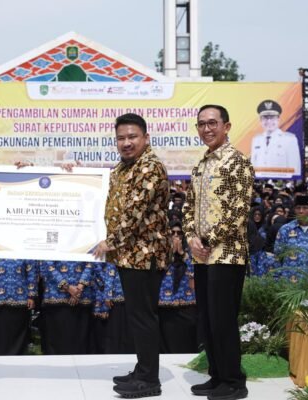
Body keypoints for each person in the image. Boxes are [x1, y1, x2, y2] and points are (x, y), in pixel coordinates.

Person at [93, 113, 170, 399]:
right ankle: (142, 369)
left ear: (146, 138)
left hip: (145, 256)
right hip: (130, 256)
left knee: (143, 317)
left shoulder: (149, 167)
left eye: (132, 137)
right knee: (137, 316)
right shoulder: (123, 168)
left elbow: (134, 213)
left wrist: (109, 242)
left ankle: (149, 379)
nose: (126, 143)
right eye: (121, 138)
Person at [183, 104, 253, 400]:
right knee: (208, 318)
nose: (207, 129)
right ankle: (216, 376)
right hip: (202, 255)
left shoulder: (237, 161)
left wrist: (207, 239)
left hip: (227, 255)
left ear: (227, 126)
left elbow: (239, 210)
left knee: (223, 319)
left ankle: (234, 381)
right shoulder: (201, 164)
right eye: (201, 124)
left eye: (212, 123)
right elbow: (188, 206)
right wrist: (190, 237)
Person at [0, 259, 36, 355]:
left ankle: (18, 356)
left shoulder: (23, 251)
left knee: (18, 331)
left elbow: (31, 273)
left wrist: (31, 295)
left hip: (20, 298)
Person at [158, 222, 197, 354]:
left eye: (179, 233)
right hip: (165, 303)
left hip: (186, 302)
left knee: (186, 338)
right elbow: (158, 269)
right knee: (167, 338)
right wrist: (170, 254)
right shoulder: (161, 252)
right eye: (172, 233)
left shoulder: (191, 252)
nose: (176, 236)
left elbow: (194, 271)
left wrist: (181, 254)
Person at [249, 100, 301, 180]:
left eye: (272, 117)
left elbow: (295, 168)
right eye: (265, 118)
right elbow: (253, 165)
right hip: (259, 182)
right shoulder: (256, 140)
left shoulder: (290, 139)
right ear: (260, 120)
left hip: (281, 182)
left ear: (278, 119)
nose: (269, 121)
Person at [273, 196, 308, 283]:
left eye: (305, 208)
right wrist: (276, 279)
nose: (301, 211)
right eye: (298, 208)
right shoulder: (285, 229)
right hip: (289, 281)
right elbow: (278, 256)